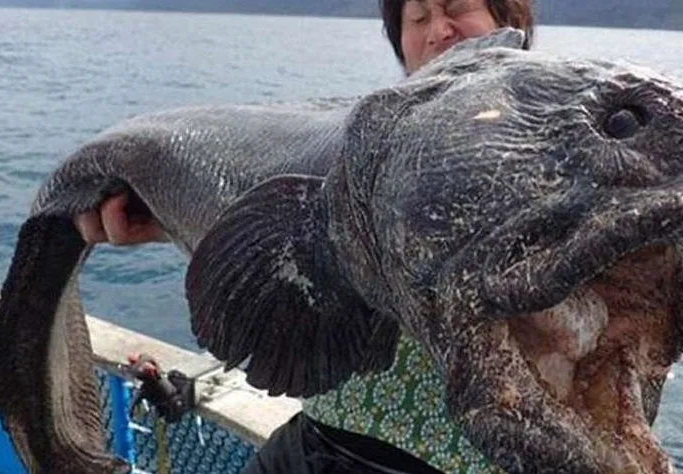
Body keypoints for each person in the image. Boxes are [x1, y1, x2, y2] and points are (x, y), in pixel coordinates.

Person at [76, 1, 535, 472]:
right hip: (315, 443)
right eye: (417, 19)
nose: (438, 30)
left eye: (458, 7)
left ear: (512, 23)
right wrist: (170, 215)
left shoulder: (555, 148)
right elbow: (298, 244)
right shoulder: (358, 153)